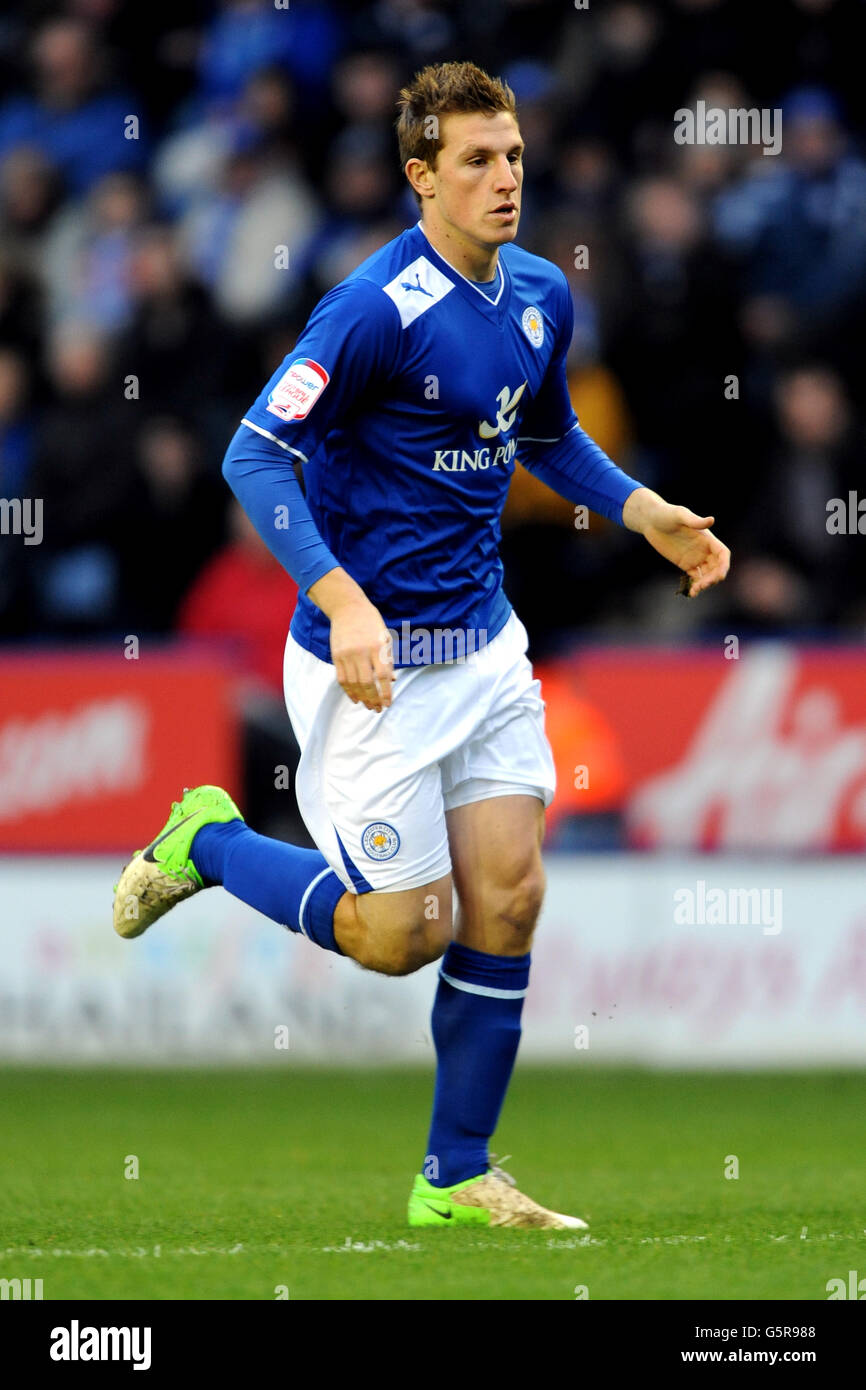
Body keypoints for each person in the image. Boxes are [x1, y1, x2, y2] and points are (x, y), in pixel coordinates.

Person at [113, 62, 730, 1229]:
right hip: (371, 665)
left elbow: (540, 431)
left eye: (511, 157)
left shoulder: (540, 292)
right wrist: (342, 598)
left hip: (484, 648)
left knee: (508, 898)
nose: (505, 180)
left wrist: (641, 508)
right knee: (401, 934)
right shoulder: (368, 310)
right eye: (476, 163)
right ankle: (211, 840)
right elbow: (255, 453)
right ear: (419, 180)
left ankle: (455, 1177)